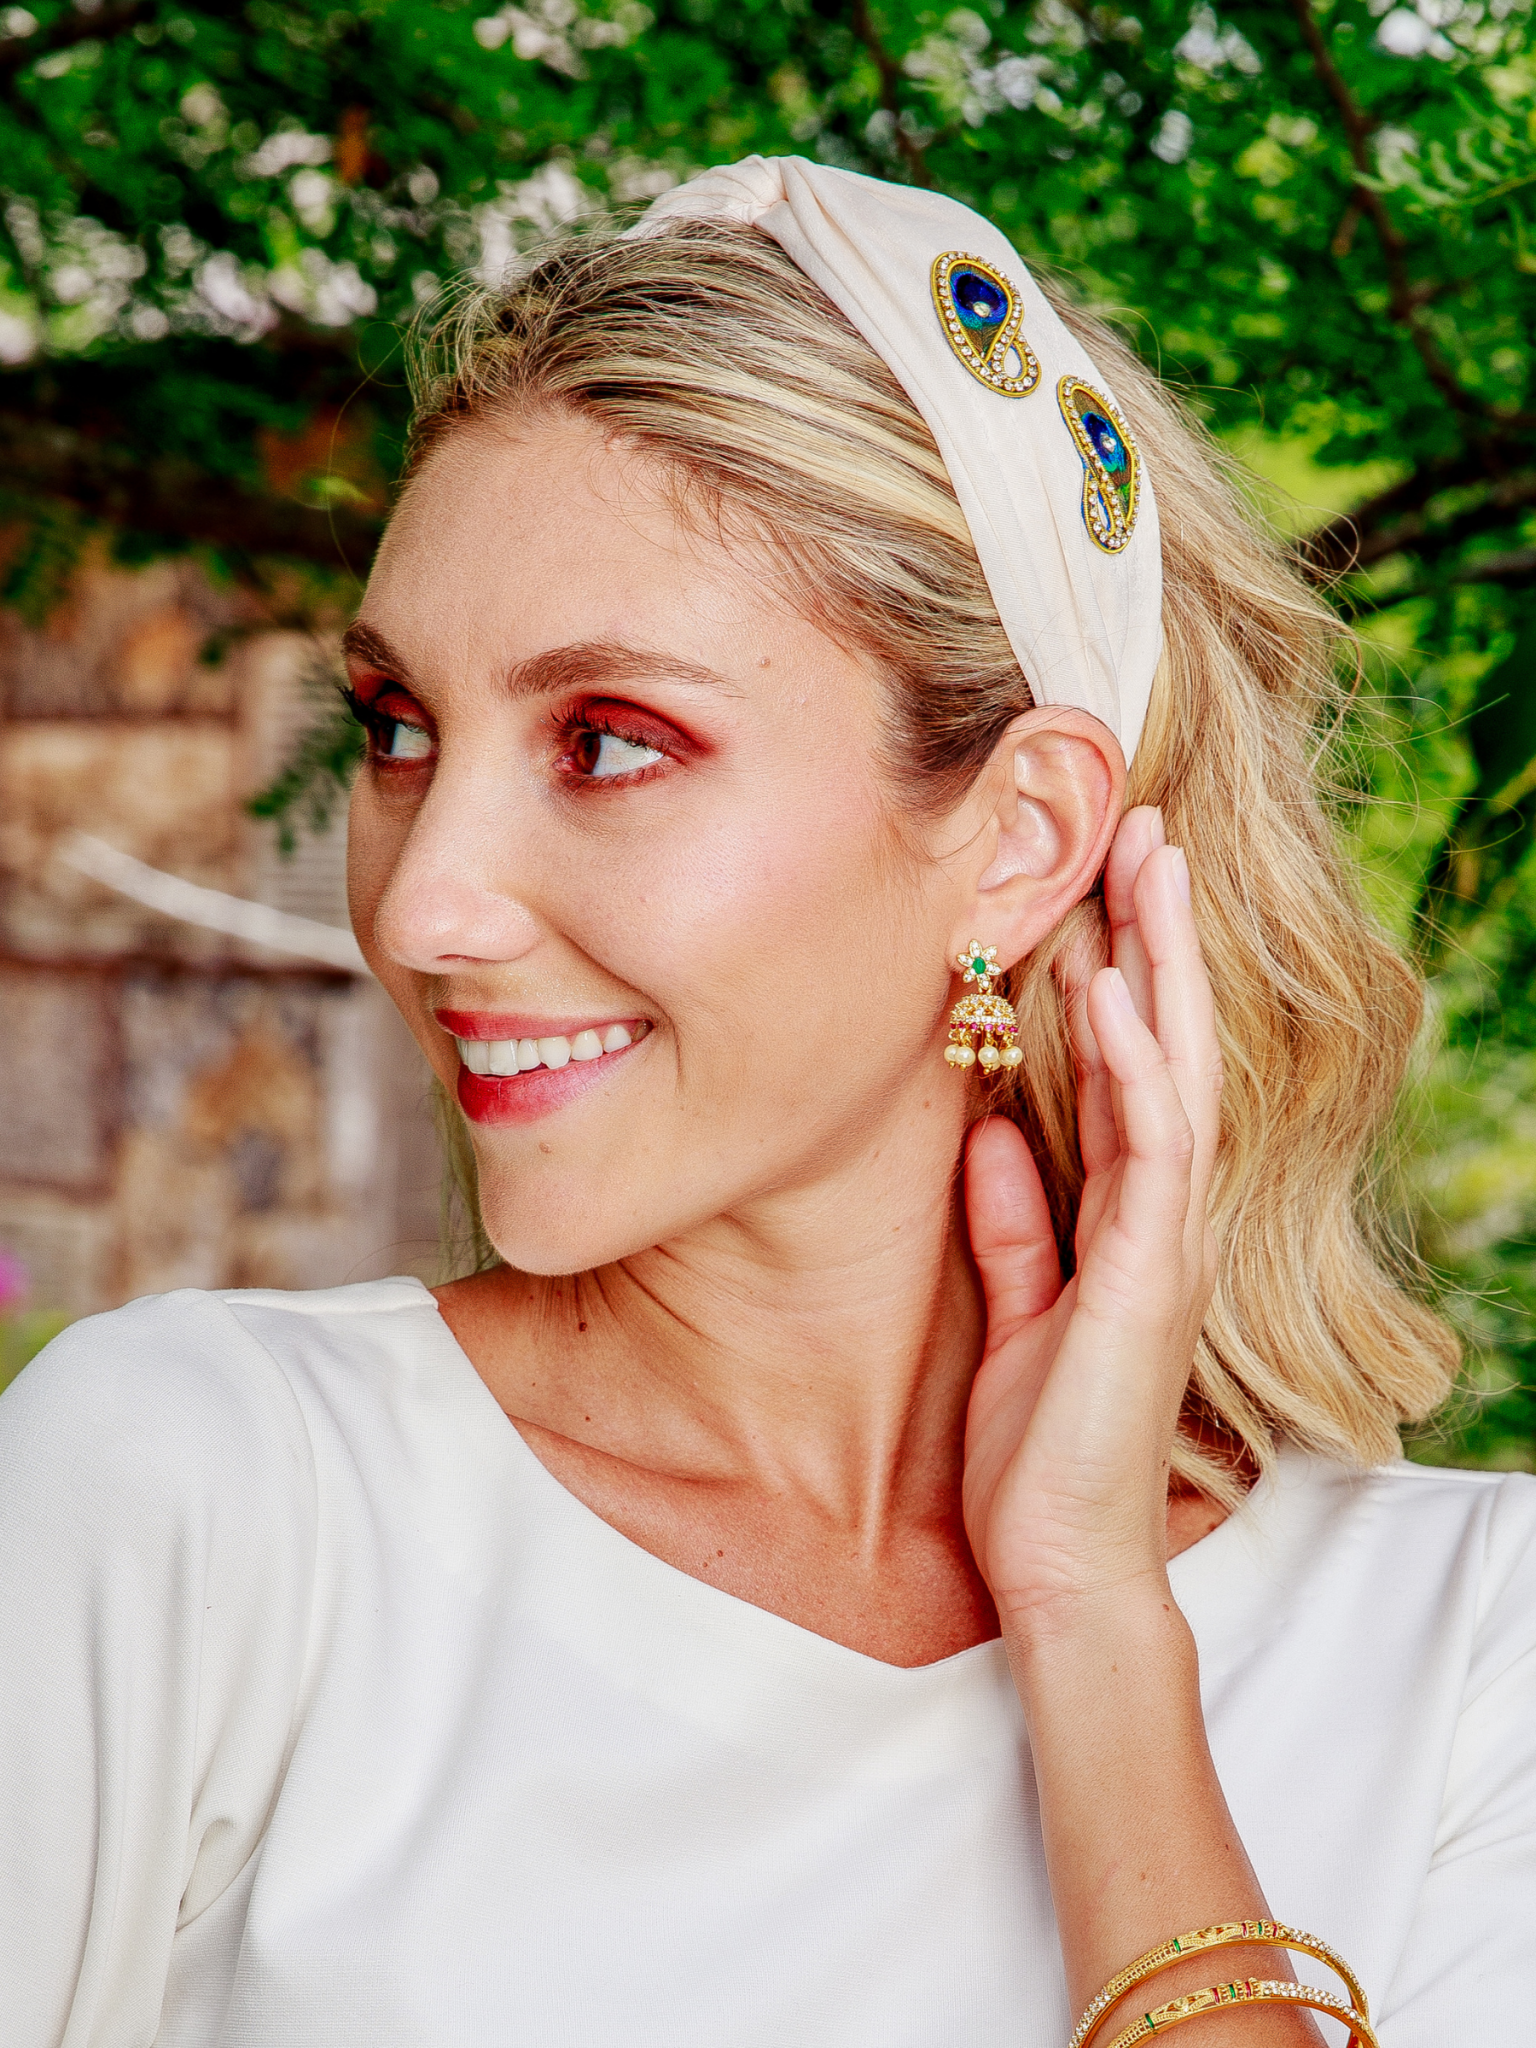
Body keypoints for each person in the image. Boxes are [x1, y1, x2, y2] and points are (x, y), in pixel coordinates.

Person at [1, 157, 1531, 2048]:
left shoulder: (1472, 1652)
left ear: (1017, 836)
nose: (421, 901)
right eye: (401, 729)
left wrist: (1094, 1627)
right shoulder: (204, 1494)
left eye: (612, 741)